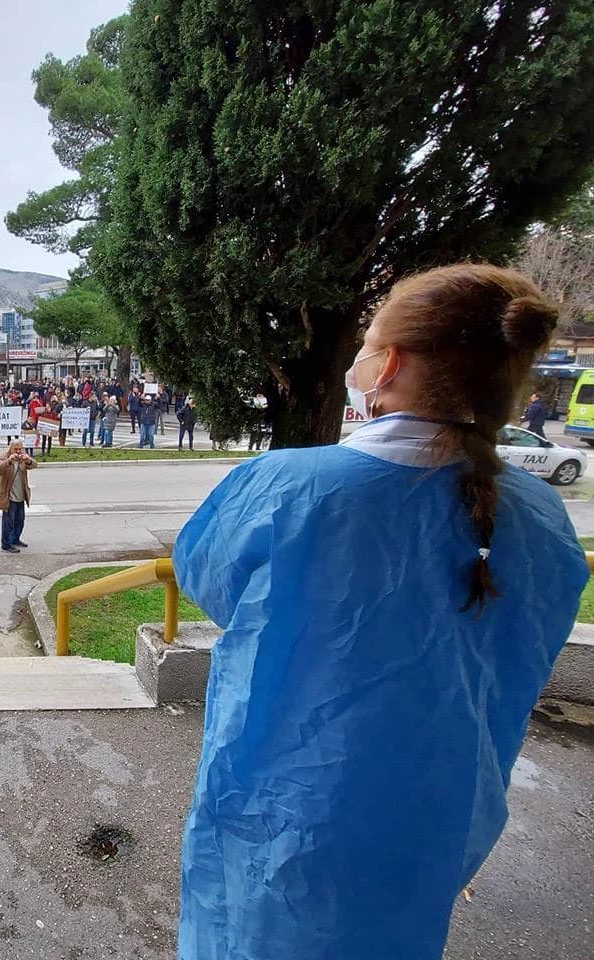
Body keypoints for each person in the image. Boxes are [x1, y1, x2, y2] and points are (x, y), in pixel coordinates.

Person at [171, 264, 587, 960]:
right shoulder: (542, 514)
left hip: (285, 812)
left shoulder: (285, 486)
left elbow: (210, 579)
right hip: (443, 816)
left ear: (387, 364)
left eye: (366, 343)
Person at [0, 439, 36, 553]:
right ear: (10, 449)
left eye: (20, 449)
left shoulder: (23, 458)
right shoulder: (4, 457)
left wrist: (29, 460)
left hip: (20, 495)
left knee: (20, 520)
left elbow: (35, 464)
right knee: (8, 522)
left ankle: (15, 539)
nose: (18, 451)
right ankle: (6, 544)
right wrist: (8, 461)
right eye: (16, 449)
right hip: (8, 497)